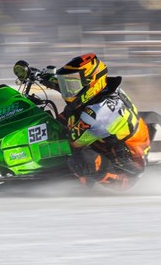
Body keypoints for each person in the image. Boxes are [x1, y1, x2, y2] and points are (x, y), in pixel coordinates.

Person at [40, 53, 150, 189]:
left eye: (72, 84)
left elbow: (74, 142)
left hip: (127, 171)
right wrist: (44, 77)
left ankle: (79, 187)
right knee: (69, 114)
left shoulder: (97, 113)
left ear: (92, 83)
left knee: (78, 157)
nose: (68, 90)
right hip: (120, 143)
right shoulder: (105, 89)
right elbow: (77, 88)